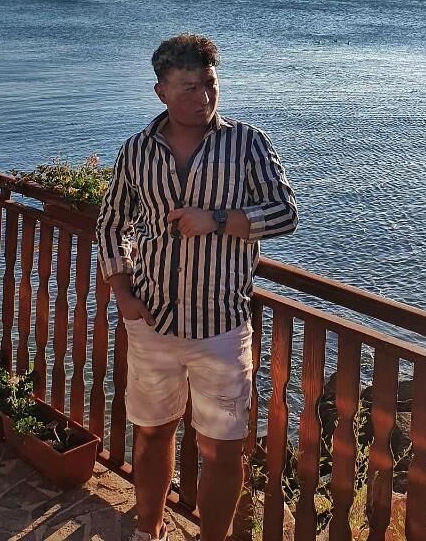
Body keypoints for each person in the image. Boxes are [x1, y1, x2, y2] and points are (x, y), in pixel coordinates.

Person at [96, 33, 298, 541]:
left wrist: (219, 219)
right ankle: (149, 530)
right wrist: (123, 292)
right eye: (188, 87)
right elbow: (111, 223)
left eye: (210, 83)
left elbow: (284, 213)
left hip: (222, 329)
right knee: (150, 435)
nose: (204, 97)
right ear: (161, 91)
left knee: (222, 449)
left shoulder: (247, 143)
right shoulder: (137, 150)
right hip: (153, 323)